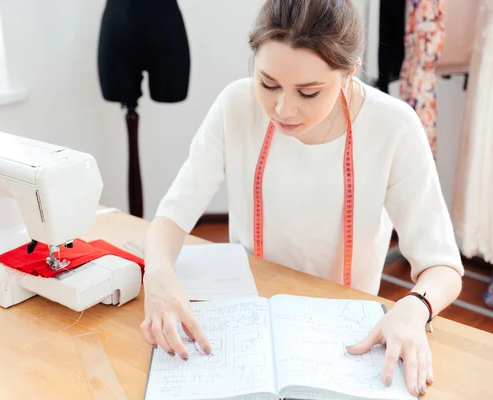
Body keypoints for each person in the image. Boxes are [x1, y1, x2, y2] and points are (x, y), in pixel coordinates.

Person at [139, 0, 464, 397]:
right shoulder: (235, 105)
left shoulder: (393, 127)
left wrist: (414, 308)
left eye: (309, 92)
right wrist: (157, 275)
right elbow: (172, 216)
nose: (282, 109)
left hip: (343, 330)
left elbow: (443, 267)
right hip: (248, 321)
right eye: (268, 84)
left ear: (349, 74)